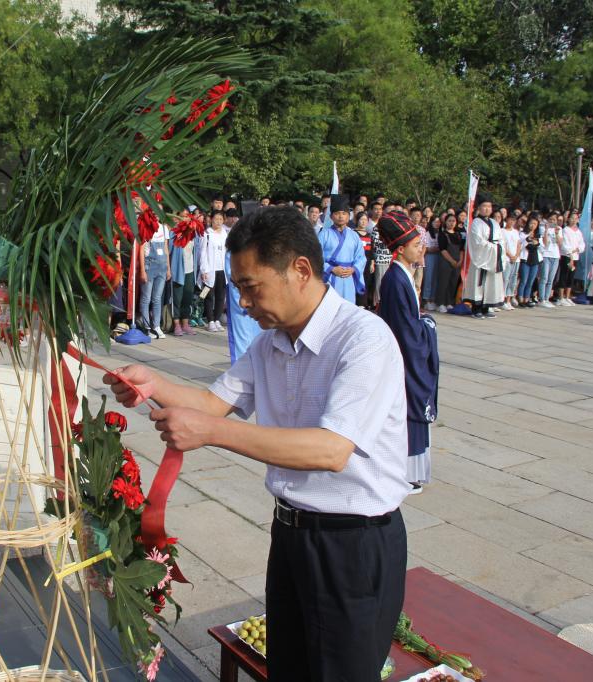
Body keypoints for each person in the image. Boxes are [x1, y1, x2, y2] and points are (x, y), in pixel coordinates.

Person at [104, 206, 409, 682]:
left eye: (251, 286)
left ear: (300, 270)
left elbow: (331, 450)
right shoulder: (270, 343)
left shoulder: (363, 339)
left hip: (353, 544)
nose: (243, 302)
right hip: (291, 535)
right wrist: (154, 383)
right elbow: (213, 403)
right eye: (239, 288)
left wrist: (211, 433)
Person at [376, 211, 438, 494]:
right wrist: (426, 326)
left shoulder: (402, 275)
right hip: (404, 357)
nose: (420, 248)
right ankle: (405, 472)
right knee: (409, 408)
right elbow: (405, 330)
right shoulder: (395, 280)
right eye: (415, 245)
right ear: (400, 249)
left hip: (406, 355)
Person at [463, 194, 505, 319]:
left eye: (489, 206)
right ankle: (476, 308)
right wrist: (493, 247)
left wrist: (498, 247)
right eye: (484, 206)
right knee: (478, 283)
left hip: (493, 256)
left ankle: (486, 308)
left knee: (491, 283)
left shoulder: (494, 223)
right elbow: (478, 241)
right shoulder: (476, 223)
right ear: (479, 208)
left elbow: (501, 239)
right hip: (481, 257)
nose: (487, 209)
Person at [321, 197, 366, 304]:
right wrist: (331, 268)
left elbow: (361, 257)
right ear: (331, 216)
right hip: (330, 276)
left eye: (344, 213)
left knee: (348, 307)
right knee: (330, 306)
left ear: (348, 216)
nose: (341, 216)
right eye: (337, 213)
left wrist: (354, 269)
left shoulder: (354, 235)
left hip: (348, 277)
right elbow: (315, 256)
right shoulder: (324, 234)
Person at [138, 217, 170, 338]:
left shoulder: (164, 228)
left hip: (162, 266)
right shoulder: (145, 227)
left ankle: (156, 325)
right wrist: (142, 270)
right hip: (149, 265)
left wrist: (168, 268)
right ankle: (146, 327)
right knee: (146, 297)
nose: (156, 215)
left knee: (157, 298)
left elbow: (166, 248)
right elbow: (141, 249)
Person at [199, 209, 228, 332]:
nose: (219, 222)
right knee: (208, 295)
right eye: (216, 219)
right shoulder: (207, 234)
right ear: (211, 220)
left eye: (221, 219)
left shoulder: (224, 233)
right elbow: (202, 253)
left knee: (221, 296)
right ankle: (210, 320)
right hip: (210, 270)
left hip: (222, 269)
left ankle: (217, 319)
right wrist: (204, 270)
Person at [434, 213, 462, 313]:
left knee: (453, 282)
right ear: (445, 222)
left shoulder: (458, 234)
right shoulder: (442, 234)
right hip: (445, 261)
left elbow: (462, 249)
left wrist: (460, 260)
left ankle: (449, 302)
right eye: (449, 221)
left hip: (457, 262)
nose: (451, 223)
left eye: (453, 221)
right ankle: (440, 303)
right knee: (443, 282)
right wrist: (452, 261)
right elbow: (443, 250)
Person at [558, 211, 584, 305]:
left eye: (576, 218)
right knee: (564, 275)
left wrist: (578, 249)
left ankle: (567, 296)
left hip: (576, 256)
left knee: (571, 276)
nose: (574, 220)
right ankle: (561, 297)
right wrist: (570, 252)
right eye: (572, 218)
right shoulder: (565, 230)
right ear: (568, 219)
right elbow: (564, 244)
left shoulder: (579, 232)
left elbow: (582, 244)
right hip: (567, 256)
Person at [537, 214, 562, 308]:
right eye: (550, 219)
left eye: (554, 219)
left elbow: (560, 243)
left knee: (551, 279)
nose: (552, 221)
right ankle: (541, 299)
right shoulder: (542, 228)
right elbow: (545, 243)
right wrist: (546, 230)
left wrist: (556, 233)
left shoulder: (559, 229)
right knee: (544, 278)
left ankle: (547, 299)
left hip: (555, 256)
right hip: (546, 255)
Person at [516, 214, 541, 308]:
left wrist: (537, 242)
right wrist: (528, 239)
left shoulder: (538, 235)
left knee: (531, 281)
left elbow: (542, 247)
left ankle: (527, 299)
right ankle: (520, 299)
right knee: (524, 280)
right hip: (525, 259)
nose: (533, 225)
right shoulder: (523, 233)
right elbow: (520, 245)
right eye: (531, 223)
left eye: (535, 224)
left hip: (535, 259)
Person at [353, 211, 375, 308]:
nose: (363, 222)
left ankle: (363, 303)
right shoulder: (353, 233)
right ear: (357, 220)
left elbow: (372, 250)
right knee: (356, 281)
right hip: (356, 263)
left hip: (367, 263)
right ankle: (356, 302)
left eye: (365, 220)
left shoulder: (369, 235)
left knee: (366, 282)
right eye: (361, 219)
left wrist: (372, 263)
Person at [501, 214, 521, 309]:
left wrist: (516, 255)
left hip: (516, 259)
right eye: (510, 220)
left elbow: (518, 244)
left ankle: (508, 300)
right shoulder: (502, 231)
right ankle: (502, 300)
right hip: (507, 259)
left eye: (514, 220)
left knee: (513, 280)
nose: (512, 222)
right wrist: (510, 256)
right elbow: (503, 245)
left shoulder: (516, 232)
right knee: (505, 279)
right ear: (506, 220)